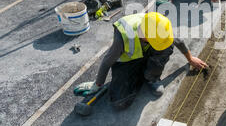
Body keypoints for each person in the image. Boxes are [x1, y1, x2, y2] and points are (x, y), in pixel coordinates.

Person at [73, 12, 208, 110]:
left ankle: (151, 78)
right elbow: (107, 60)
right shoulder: (124, 35)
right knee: (119, 103)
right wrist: (98, 84)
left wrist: (190, 59)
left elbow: (177, 40)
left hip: (146, 51)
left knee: (167, 47)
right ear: (146, 36)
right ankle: (141, 73)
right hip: (128, 61)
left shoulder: (157, 24)